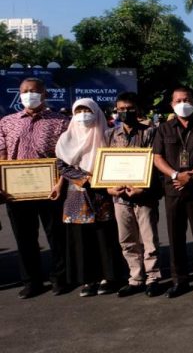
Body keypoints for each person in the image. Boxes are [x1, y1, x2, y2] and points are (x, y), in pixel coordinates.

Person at [0, 77, 68, 299]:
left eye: (34, 90)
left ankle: (60, 278)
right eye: (25, 91)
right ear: (19, 95)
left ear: (44, 94)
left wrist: (60, 183)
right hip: (16, 191)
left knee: (56, 235)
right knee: (24, 238)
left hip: (51, 188)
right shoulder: (6, 122)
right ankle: (31, 281)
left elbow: (66, 157)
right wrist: (2, 183)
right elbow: (2, 155)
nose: (29, 94)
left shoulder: (60, 121)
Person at [152, 86, 193, 298]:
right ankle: (179, 280)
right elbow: (157, 157)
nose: (183, 103)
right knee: (175, 236)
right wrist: (175, 175)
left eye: (187, 99)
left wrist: (192, 174)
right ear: (172, 104)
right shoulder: (164, 128)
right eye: (179, 100)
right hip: (173, 188)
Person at [55, 98, 121, 297]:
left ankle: (108, 277)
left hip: (103, 193)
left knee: (104, 235)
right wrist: (85, 178)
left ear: (97, 113)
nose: (83, 115)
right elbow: (62, 165)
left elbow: (117, 160)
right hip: (77, 194)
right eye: (79, 111)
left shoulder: (107, 135)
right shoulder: (66, 138)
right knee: (81, 238)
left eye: (87, 110)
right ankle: (87, 279)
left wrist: (101, 179)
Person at [104, 92, 163, 298]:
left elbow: (156, 164)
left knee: (149, 239)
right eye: (121, 109)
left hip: (144, 195)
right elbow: (105, 164)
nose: (125, 112)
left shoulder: (150, 133)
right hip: (119, 196)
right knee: (127, 239)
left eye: (129, 108)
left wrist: (144, 188)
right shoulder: (110, 135)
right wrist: (109, 188)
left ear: (137, 109)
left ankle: (153, 277)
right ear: (116, 110)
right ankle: (135, 278)